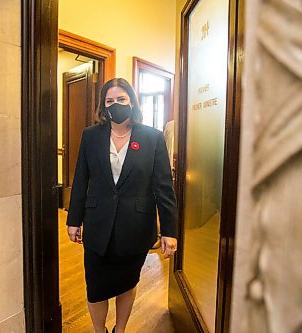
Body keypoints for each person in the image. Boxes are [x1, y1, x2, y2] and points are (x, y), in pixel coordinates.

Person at [66, 78, 178, 333]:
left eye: (121, 99)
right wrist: (74, 219)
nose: (115, 105)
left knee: (126, 283)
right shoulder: (91, 136)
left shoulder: (152, 138)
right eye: (109, 101)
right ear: (103, 106)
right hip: (97, 223)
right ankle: (99, 331)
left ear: (131, 102)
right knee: (95, 287)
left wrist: (169, 230)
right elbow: (82, 178)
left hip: (135, 226)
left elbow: (164, 188)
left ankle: (120, 329)